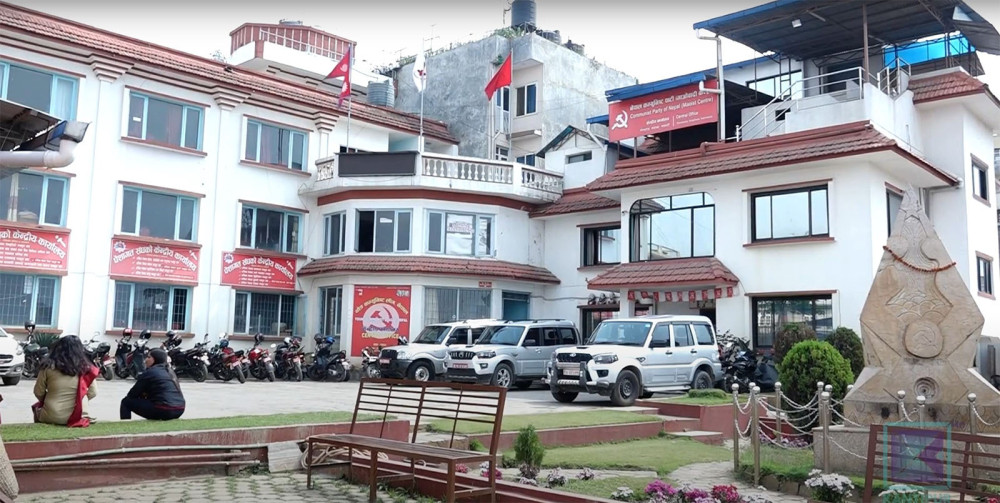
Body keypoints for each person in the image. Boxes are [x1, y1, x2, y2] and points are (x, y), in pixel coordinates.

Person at [32, 335, 99, 427]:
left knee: (37, 409)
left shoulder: (47, 367)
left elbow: (38, 392)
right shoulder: (87, 368)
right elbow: (93, 392)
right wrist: (79, 398)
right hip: (80, 415)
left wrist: (48, 399)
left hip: (51, 415)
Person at [120, 348, 185, 421]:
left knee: (126, 401)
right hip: (180, 409)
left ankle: (125, 423)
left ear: (155, 359)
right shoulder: (170, 372)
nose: (145, 360)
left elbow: (132, 394)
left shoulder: (150, 372)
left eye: (148, 357)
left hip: (165, 409)